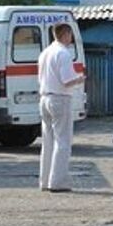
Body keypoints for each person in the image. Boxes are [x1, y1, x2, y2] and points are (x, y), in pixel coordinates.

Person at [37, 24, 86, 192]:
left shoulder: (45, 53)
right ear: (65, 34)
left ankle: (45, 180)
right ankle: (58, 182)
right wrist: (80, 79)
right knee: (63, 141)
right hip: (60, 98)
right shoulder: (63, 53)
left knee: (48, 141)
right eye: (70, 34)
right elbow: (67, 80)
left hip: (44, 98)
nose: (71, 38)